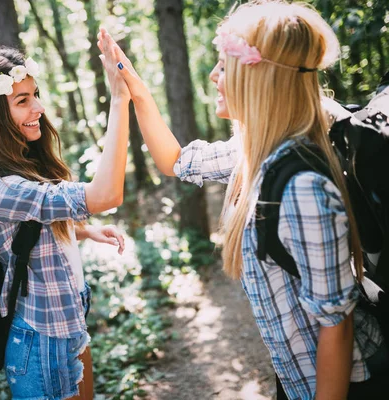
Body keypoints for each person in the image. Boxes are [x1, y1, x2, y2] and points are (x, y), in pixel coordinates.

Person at [98, 1, 387, 398]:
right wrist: (134, 89)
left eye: (224, 65)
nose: (214, 75)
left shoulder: (302, 186)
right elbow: (176, 160)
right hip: (296, 378)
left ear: (259, 78)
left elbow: (335, 331)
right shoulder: (252, 154)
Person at [0, 47, 130, 400]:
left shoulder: (21, 168)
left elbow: (28, 230)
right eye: (23, 100)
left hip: (66, 325)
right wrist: (119, 99)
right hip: (42, 343)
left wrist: (85, 230)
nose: (39, 108)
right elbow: (106, 195)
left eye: (36, 96)